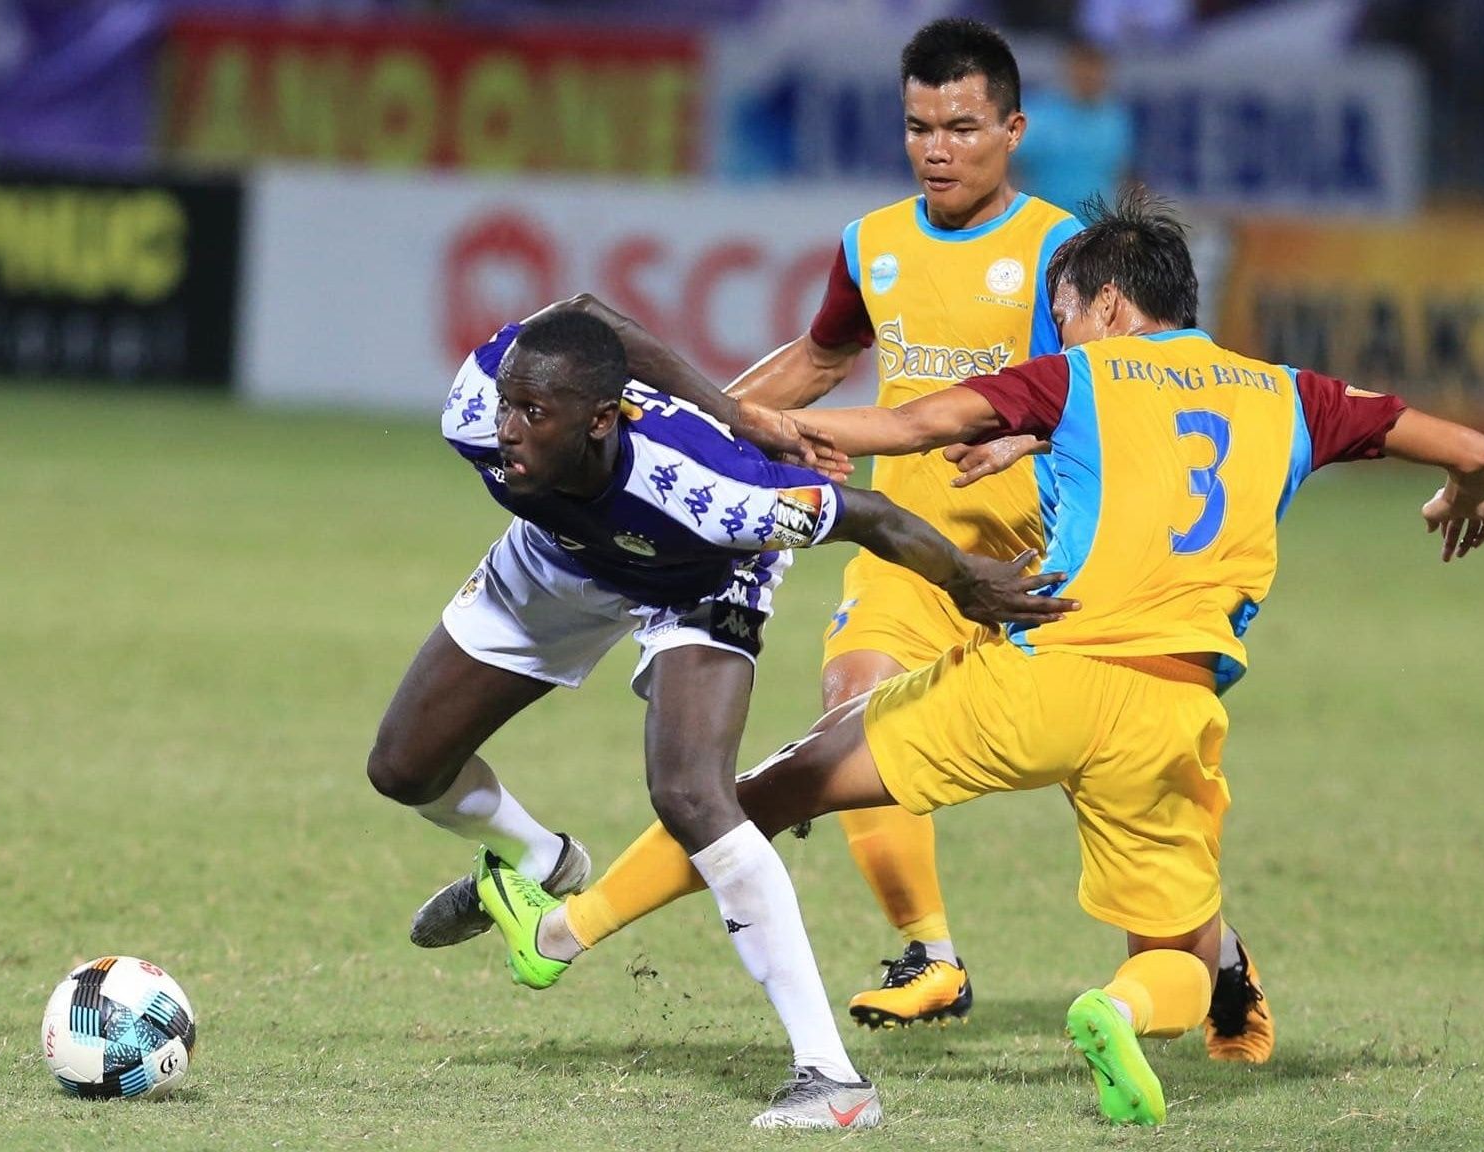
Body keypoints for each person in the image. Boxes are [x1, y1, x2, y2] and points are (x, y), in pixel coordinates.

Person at [473, 188, 1484, 1126]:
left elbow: (913, 424)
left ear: (1101, 304)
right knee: (1180, 957)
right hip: (1171, 708)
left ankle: (564, 933)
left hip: (1041, 671)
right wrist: (1464, 494)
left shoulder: (1077, 374)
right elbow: (1467, 447)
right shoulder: (1292, 395)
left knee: (780, 786)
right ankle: (1114, 1009)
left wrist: (772, 427)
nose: (1059, 328)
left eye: (1063, 311)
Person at [540, 17, 1270, 1060]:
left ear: (1012, 129)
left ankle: (1217, 954)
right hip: (907, 551)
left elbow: (1114, 398)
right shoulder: (870, 243)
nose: (937, 148)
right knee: (849, 707)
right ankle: (928, 955)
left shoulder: (1063, 253)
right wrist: (694, 430)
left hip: (1039, 562)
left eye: (961, 127)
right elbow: (820, 357)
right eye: (919, 126)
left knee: (1109, 790)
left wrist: (1017, 447)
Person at [368, 295, 1073, 1131]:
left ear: (600, 421)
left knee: (692, 795)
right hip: (557, 558)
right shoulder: (476, 407)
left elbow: (870, 517)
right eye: (509, 403)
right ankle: (543, 860)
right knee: (404, 768)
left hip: (698, 578)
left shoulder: (716, 491)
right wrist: (740, 406)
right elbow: (589, 313)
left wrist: (967, 577)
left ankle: (831, 1078)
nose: (508, 428)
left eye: (534, 412)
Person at [1012, 40, 1132, 212]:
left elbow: (1121, 171)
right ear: (1070, 68)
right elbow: (1009, 161)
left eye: (1095, 68)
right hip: (1048, 222)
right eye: (1083, 67)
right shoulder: (1040, 113)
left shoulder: (1116, 118)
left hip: (1097, 225)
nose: (1089, 75)